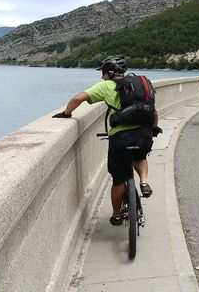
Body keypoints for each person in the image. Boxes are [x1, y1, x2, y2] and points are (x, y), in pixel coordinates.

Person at [52, 55, 162, 226]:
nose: (101, 76)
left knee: (119, 179)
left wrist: (66, 113)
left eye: (103, 72)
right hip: (143, 133)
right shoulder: (139, 85)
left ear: (109, 73)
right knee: (140, 156)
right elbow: (152, 111)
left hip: (120, 138)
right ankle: (144, 182)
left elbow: (78, 99)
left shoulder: (106, 86)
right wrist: (153, 128)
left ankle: (117, 214)